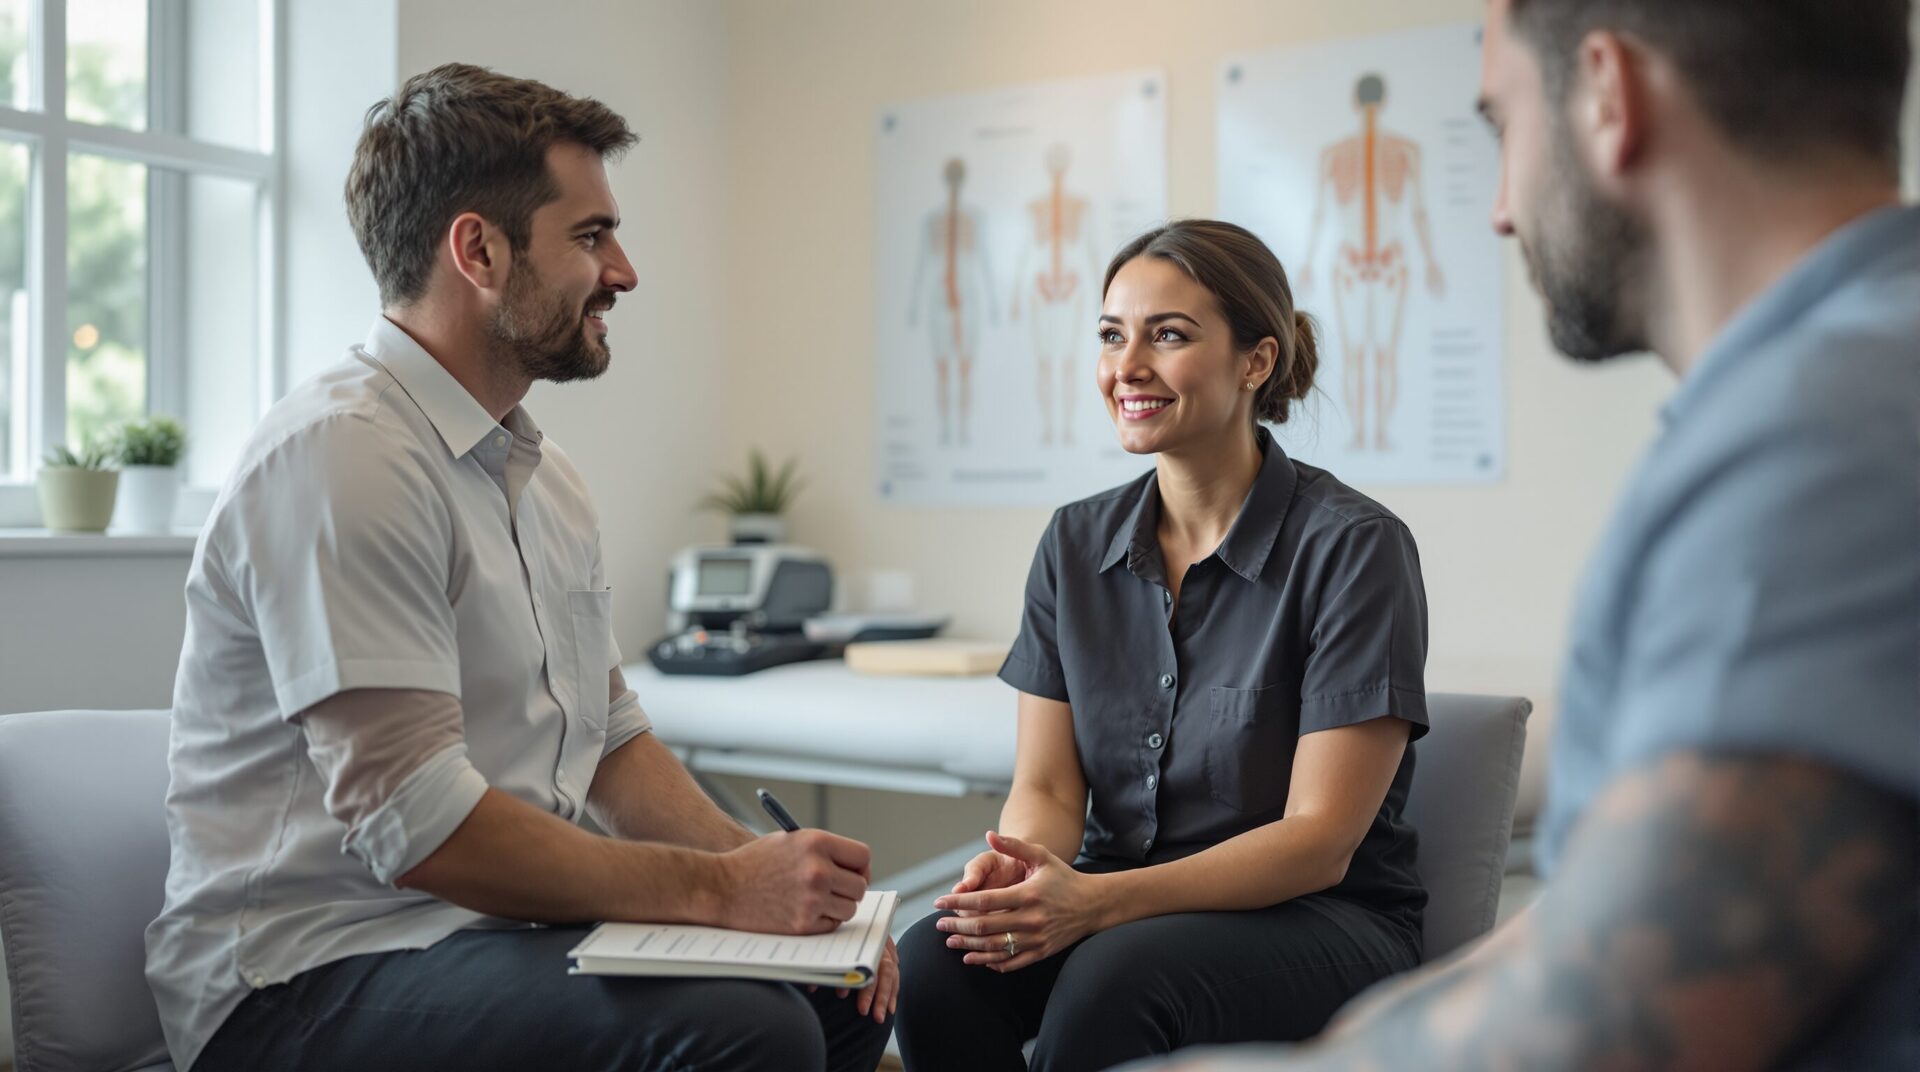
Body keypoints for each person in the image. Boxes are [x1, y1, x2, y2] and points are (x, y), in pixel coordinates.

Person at [1138, 1, 1919, 1069]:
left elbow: (1620, 1022)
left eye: (1503, 128)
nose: (1502, 212)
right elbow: (1608, 917)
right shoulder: (1856, 380)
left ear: (1608, 93)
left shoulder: (1822, 436)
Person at [145, 64, 895, 1072]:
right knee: (746, 1029)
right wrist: (721, 893)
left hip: (487, 942)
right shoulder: (343, 457)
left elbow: (611, 744)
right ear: (479, 251)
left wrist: (781, 881)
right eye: (590, 237)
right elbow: (419, 830)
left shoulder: (545, 479)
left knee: (837, 996)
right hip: (299, 978)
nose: (623, 271)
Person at [894, 219, 1433, 1071]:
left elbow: (1320, 840)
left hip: (1317, 918)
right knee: (934, 962)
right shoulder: (1074, 545)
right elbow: (1046, 786)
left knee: (1112, 978)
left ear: (1256, 362)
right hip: (1115, 900)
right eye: (1112, 336)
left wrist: (1098, 903)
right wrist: (1023, 870)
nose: (1128, 367)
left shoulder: (1355, 548)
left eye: (1169, 335)